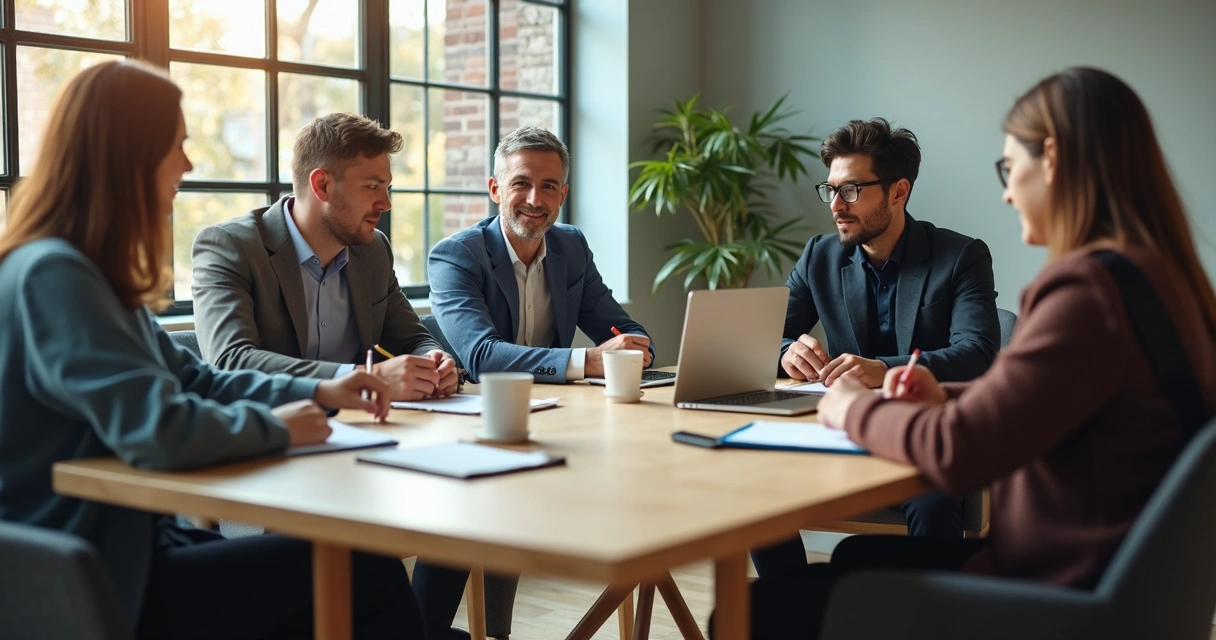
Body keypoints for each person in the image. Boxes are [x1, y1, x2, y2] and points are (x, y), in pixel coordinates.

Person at [737, 67, 1216, 639]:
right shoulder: (1162, 280)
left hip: (1051, 596)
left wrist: (850, 407)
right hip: (1114, 585)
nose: (1009, 192)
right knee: (850, 563)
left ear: (1055, 160)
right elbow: (1042, 401)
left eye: (1009, 169)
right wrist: (944, 394)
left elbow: (961, 450)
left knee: (756, 609)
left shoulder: (1085, 292)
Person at [0, 60, 425, 639]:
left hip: (138, 545)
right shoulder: (55, 275)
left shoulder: (90, 275)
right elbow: (157, 428)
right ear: (128, 156)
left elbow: (196, 378)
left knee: (348, 576)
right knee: (366, 572)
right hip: (89, 574)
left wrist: (323, 389)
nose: (189, 165)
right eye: (176, 146)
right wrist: (279, 427)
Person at [190, 112, 470, 638]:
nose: (385, 203)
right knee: (379, 561)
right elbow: (230, 360)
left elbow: (412, 335)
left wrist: (437, 361)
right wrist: (360, 379)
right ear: (322, 184)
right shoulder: (231, 246)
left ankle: (421, 629)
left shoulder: (372, 252)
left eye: (387, 187)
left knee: (468, 503)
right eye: (372, 187)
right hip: (278, 447)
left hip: (371, 441)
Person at [753, 119, 1001, 573]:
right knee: (755, 489)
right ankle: (794, 608)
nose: (835, 207)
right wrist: (787, 348)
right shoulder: (819, 255)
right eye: (830, 190)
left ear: (898, 192)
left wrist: (883, 370)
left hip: (920, 440)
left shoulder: (961, 257)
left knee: (932, 509)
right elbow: (764, 337)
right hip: (837, 433)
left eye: (851, 191)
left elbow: (978, 354)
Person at [428, 126, 654, 384]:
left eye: (548, 186)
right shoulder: (457, 256)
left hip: (558, 405)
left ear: (562, 196)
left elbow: (628, 332)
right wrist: (588, 360)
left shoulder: (572, 247)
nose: (535, 200)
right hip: (478, 410)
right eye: (521, 183)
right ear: (495, 189)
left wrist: (636, 349)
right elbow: (483, 358)